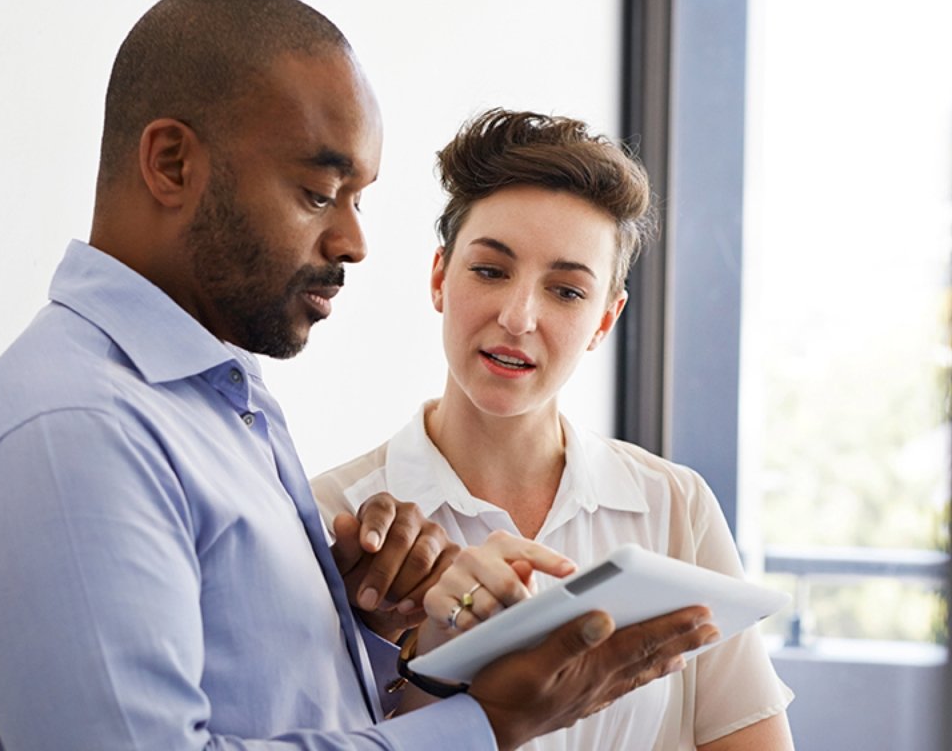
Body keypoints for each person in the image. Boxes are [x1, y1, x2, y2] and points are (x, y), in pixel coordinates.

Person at [0, 0, 717, 750]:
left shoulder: (216, 405)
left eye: (359, 199)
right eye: (317, 192)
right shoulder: (74, 437)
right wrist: (488, 726)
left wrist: (374, 634)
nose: (354, 243)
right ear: (170, 163)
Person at [312, 109, 796, 750]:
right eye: (490, 271)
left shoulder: (672, 506)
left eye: (566, 291)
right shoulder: (334, 518)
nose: (518, 317)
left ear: (604, 319)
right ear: (439, 278)